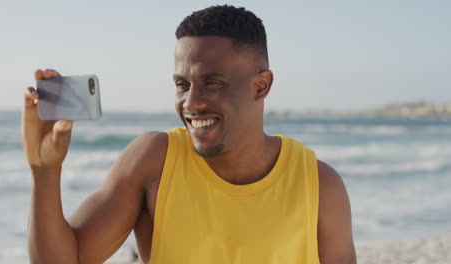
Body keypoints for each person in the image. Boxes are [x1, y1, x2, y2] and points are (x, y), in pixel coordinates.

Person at [22, 5, 356, 264]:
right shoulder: (153, 161)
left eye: (212, 83)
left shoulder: (319, 185)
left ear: (261, 85)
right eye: (182, 84)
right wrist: (45, 171)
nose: (191, 103)